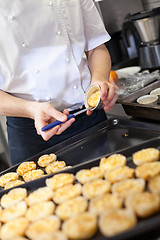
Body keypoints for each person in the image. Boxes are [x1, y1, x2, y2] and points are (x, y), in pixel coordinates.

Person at [0, 0, 118, 166]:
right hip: (32, 132)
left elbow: (95, 47)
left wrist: (99, 81)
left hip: (89, 116)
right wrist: (31, 110)